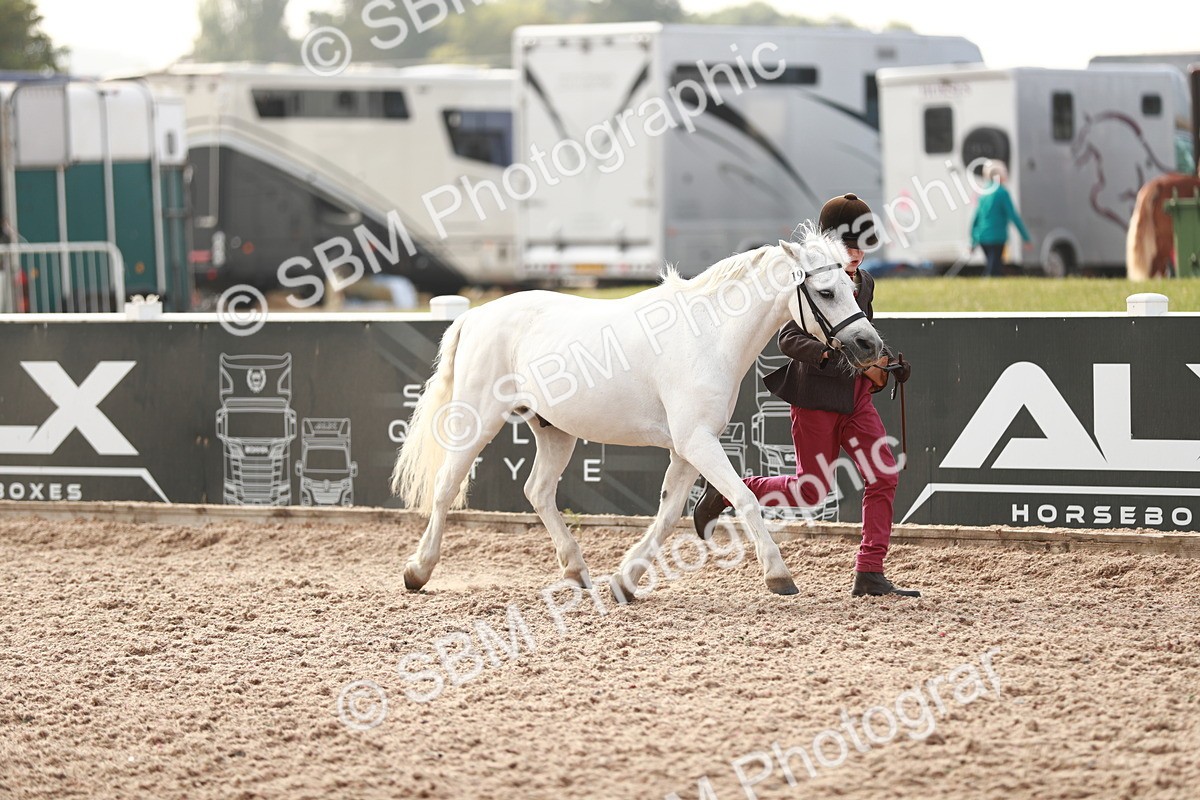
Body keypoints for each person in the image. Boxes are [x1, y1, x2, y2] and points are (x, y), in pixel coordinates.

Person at [693, 193, 919, 598]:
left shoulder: (865, 283)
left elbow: (861, 334)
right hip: (814, 402)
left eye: (862, 247)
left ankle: (870, 571)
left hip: (856, 400)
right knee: (810, 491)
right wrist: (831, 355)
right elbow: (788, 337)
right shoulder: (812, 283)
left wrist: (886, 363)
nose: (857, 255)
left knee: (884, 475)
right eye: (848, 247)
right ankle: (728, 490)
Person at [970, 160, 1031, 277]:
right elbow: (1013, 216)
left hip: (983, 237)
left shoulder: (983, 193)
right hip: (997, 237)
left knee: (994, 266)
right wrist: (1026, 238)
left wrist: (972, 242)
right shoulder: (1002, 193)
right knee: (994, 269)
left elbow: (975, 219)